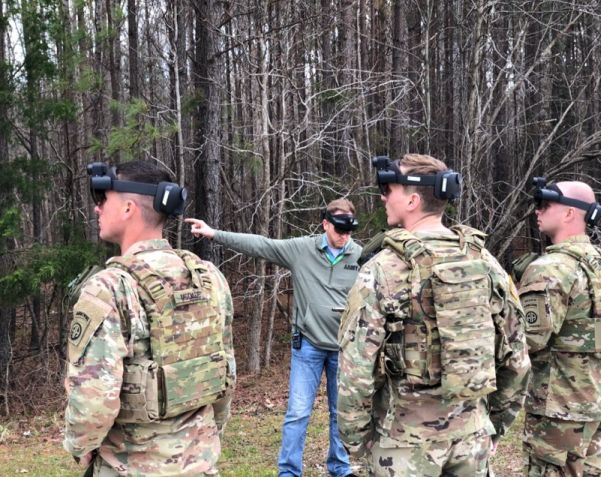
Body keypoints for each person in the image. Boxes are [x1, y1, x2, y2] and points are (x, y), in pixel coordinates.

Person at [337, 154, 530, 477]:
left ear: (412, 200)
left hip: (404, 442)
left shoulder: (383, 269)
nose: (383, 196)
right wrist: (491, 424)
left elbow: (355, 369)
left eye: (389, 188)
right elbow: (517, 356)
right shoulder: (485, 263)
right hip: (471, 437)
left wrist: (359, 442)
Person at [64, 160, 235, 477]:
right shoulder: (209, 279)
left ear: (128, 208)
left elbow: (93, 402)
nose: (97, 208)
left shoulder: (109, 288)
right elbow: (226, 375)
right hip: (200, 465)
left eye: (103, 199)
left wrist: (80, 446)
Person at [186, 199, 361, 477]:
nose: (344, 236)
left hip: (344, 348)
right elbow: (261, 245)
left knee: (340, 413)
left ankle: (339, 467)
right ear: (325, 223)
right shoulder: (302, 250)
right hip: (308, 346)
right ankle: (289, 472)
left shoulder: (360, 256)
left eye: (350, 230)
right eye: (339, 229)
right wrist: (214, 233)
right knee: (298, 413)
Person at [517, 178, 601, 477]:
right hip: (600, 400)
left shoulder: (550, 267)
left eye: (545, 204)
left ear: (569, 213)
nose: (537, 211)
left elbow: (526, 340)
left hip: (561, 408)